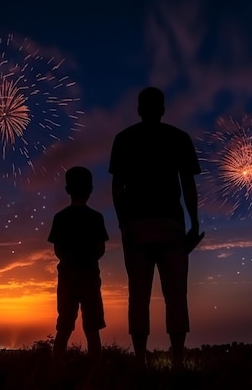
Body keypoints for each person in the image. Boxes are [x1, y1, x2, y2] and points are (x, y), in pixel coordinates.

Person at [109, 86, 202, 369]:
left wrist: (123, 222)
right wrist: (194, 222)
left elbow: (117, 187)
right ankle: (176, 361)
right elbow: (188, 185)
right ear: (162, 109)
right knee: (176, 295)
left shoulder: (124, 139)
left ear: (139, 109)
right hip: (170, 223)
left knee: (138, 295)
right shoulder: (178, 138)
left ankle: (139, 361)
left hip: (136, 225)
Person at [47, 166, 109, 361]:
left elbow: (57, 250)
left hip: (67, 275)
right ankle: (95, 372)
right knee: (92, 328)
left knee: (64, 326)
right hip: (90, 275)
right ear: (90, 189)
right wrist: (88, 260)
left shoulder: (60, 217)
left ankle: (56, 370)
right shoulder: (96, 218)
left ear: (67, 190)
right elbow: (100, 249)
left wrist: (70, 260)